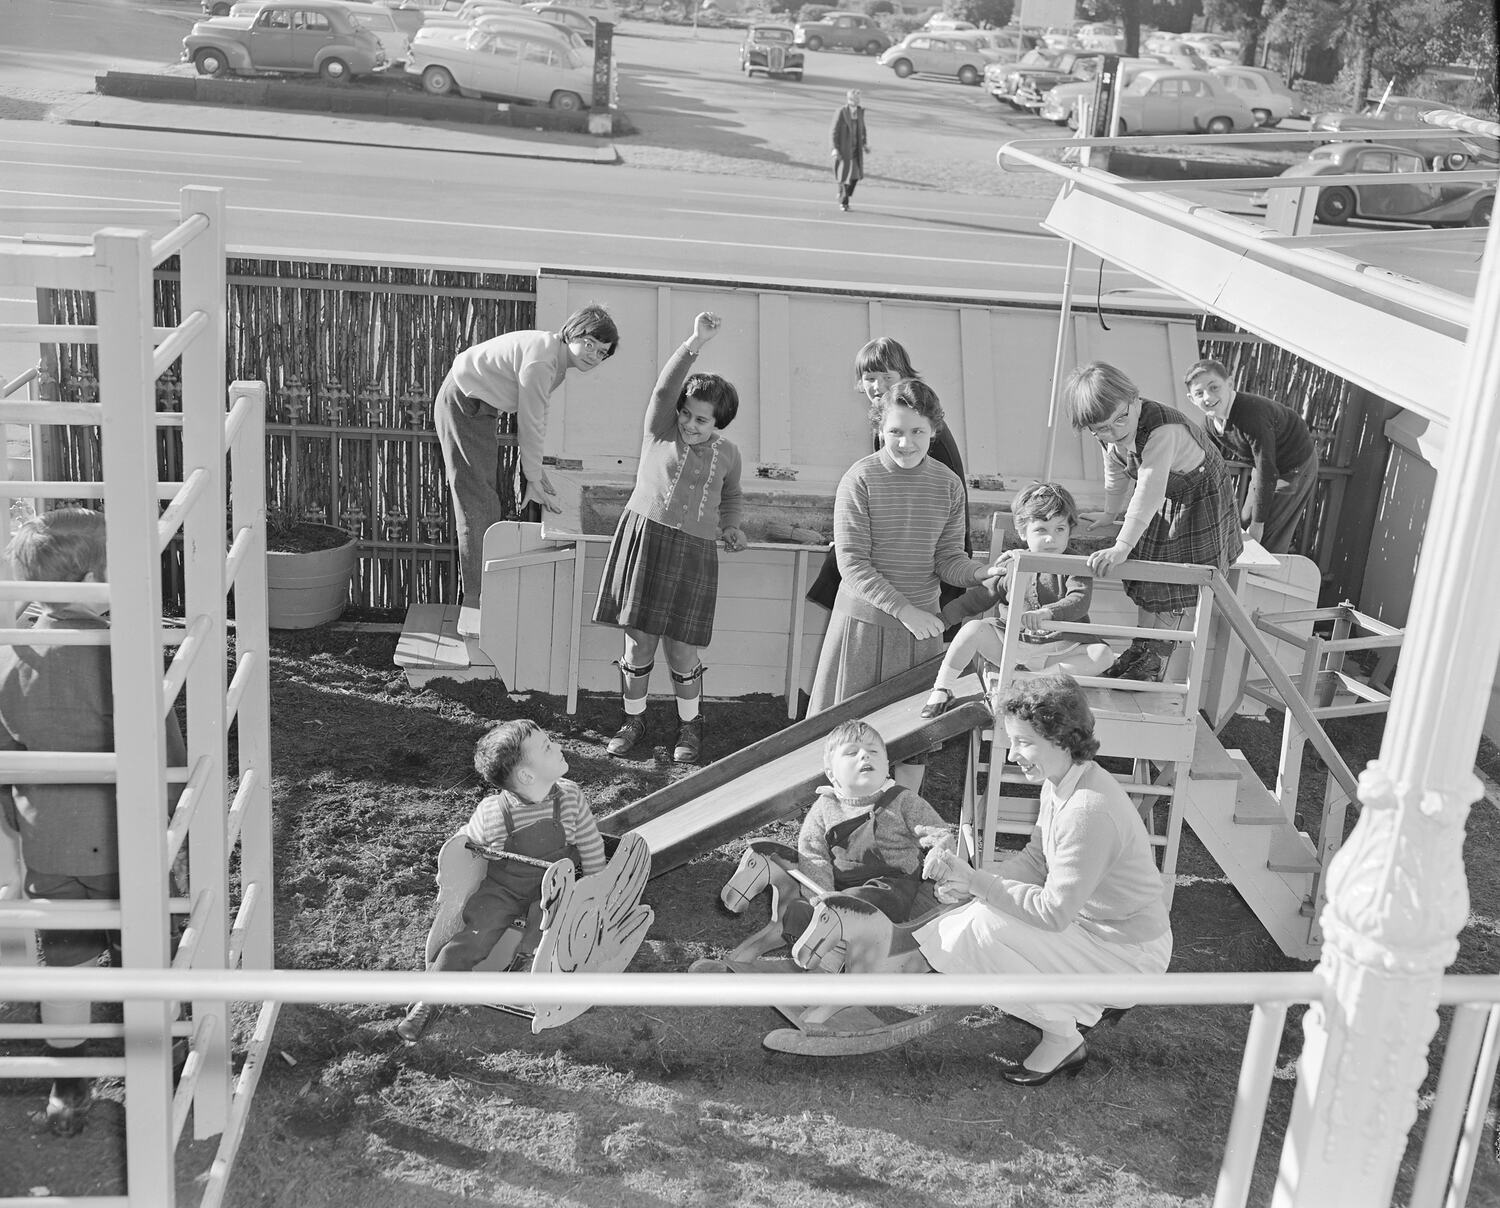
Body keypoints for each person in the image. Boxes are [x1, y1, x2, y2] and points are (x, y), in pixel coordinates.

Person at [0, 509, 188, 1135]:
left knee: (68, 962)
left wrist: (19, 810)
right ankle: (164, 1063)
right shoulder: (120, 651)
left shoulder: (13, 652)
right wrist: (174, 803)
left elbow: (7, 747)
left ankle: (68, 1085)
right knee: (145, 949)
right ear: (96, 575)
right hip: (123, 839)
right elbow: (166, 751)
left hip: (48, 842)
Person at [917, 674, 1172, 1086]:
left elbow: (1053, 912)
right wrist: (972, 882)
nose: (1013, 753)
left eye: (1024, 742)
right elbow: (1037, 861)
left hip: (1128, 951)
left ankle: (1062, 1037)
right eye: (1012, 740)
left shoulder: (1088, 810)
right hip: (1095, 927)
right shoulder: (1062, 783)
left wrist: (979, 884)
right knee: (979, 914)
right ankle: (1060, 1016)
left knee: (983, 929)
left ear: (1063, 738)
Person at [808, 379, 989, 790]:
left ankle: (900, 824)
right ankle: (839, 824)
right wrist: (904, 610)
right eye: (895, 431)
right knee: (848, 745)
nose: (905, 442)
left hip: (920, 633)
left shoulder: (948, 484)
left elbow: (948, 560)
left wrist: (980, 573)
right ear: (879, 429)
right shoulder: (860, 479)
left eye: (917, 432)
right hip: (863, 628)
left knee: (913, 743)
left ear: (934, 431)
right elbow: (852, 563)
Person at [592, 312, 747, 764]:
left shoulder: (729, 454)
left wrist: (732, 526)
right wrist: (695, 342)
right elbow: (664, 389)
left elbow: (732, 498)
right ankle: (632, 720)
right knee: (639, 641)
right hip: (645, 541)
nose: (691, 424)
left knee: (682, 647)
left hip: (695, 553)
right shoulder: (659, 431)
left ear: (719, 423)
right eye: (687, 413)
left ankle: (689, 727)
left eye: (702, 420)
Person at [398, 720, 605, 1044]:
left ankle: (526, 970)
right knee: (476, 933)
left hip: (551, 888)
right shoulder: (493, 813)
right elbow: (469, 846)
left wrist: (595, 885)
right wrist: (466, 852)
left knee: (547, 925)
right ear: (526, 776)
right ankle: (431, 996)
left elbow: (591, 842)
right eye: (548, 747)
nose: (559, 747)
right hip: (504, 887)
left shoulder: (570, 798)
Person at [1064, 361, 1243, 683]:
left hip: (1199, 499)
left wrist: (1122, 545)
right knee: (1147, 578)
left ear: (1134, 399)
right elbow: (1117, 472)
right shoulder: (1111, 430)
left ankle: (1156, 660)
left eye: (1121, 419)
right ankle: (1142, 647)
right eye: (1102, 429)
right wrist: (1109, 513)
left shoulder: (1163, 431)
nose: (1114, 431)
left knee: (1172, 583)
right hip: (1169, 498)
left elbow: (1148, 489)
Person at [433, 303, 619, 601]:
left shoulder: (554, 360)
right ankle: (478, 601)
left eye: (601, 353)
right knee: (477, 500)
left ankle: (485, 594)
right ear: (572, 332)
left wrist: (534, 470)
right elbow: (530, 422)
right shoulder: (543, 360)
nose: (593, 355)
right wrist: (532, 476)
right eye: (589, 344)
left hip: (478, 404)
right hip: (463, 401)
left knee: (483, 498)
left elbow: (537, 416)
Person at [806, 337, 972, 617]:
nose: (877, 385)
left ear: (904, 378)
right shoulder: (881, 439)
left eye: (887, 376)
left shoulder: (926, 437)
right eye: (869, 377)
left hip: (928, 555)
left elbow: (928, 507)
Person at [921, 482, 1109, 717]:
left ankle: (1034, 680)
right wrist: (945, 618)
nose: (1051, 539)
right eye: (1041, 530)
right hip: (1013, 646)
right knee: (972, 630)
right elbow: (980, 597)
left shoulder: (1076, 565)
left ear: (1070, 530)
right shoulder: (1013, 563)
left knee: (1103, 655)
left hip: (1060, 648)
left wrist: (1047, 613)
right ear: (1023, 532)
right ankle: (942, 688)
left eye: (1059, 529)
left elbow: (1079, 599)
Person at [779, 719, 950, 943]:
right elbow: (813, 854)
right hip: (840, 887)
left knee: (861, 900)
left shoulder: (902, 799)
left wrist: (939, 854)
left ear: (887, 764)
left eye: (873, 751)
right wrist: (821, 896)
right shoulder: (825, 806)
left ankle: (839, 923)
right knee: (797, 910)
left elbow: (937, 832)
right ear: (831, 774)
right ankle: (818, 942)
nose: (865, 756)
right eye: (851, 753)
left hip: (891, 886)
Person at [1183, 358, 1320, 555]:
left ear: (1229, 384)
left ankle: (1266, 579)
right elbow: (1205, 468)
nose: (1207, 397)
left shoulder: (1251, 415)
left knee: (1268, 533)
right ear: (1191, 398)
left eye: (1214, 387)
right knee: (1244, 521)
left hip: (1294, 464)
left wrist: (1259, 524)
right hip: (1265, 464)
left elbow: (1267, 471)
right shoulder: (1210, 424)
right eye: (1199, 393)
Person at [830, 89, 868, 212]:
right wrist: (834, 148)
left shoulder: (860, 112)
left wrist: (864, 144)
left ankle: (843, 193)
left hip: (856, 150)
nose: (856, 101)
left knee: (855, 176)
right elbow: (833, 131)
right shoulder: (841, 112)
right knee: (844, 176)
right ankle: (844, 202)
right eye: (854, 99)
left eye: (858, 99)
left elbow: (863, 129)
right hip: (844, 150)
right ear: (848, 99)